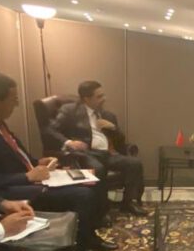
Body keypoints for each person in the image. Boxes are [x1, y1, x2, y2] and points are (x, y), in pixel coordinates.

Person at [0, 71, 115, 251]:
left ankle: (89, 239)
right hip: (6, 190)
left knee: (91, 181)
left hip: (27, 178)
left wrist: (37, 162)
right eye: (14, 99)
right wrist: (26, 176)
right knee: (82, 195)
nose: (16, 104)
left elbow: (14, 153)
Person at [46, 80, 147, 216]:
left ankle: (129, 203)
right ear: (86, 99)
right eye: (99, 96)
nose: (104, 99)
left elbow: (121, 142)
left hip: (107, 154)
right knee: (98, 169)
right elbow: (50, 130)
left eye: (103, 95)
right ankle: (101, 210)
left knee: (135, 163)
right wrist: (69, 142)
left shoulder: (107, 115)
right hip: (86, 154)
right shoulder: (70, 111)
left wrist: (113, 128)